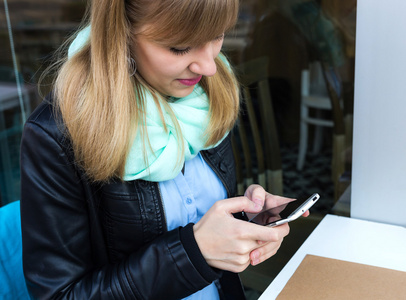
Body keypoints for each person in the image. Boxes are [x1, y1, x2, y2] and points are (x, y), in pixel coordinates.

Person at [20, 0, 304, 299]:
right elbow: (61, 294)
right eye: (180, 47)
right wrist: (193, 253)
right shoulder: (57, 137)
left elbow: (194, 211)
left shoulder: (208, 93)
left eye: (217, 35)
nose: (209, 66)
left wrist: (245, 224)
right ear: (121, 34)